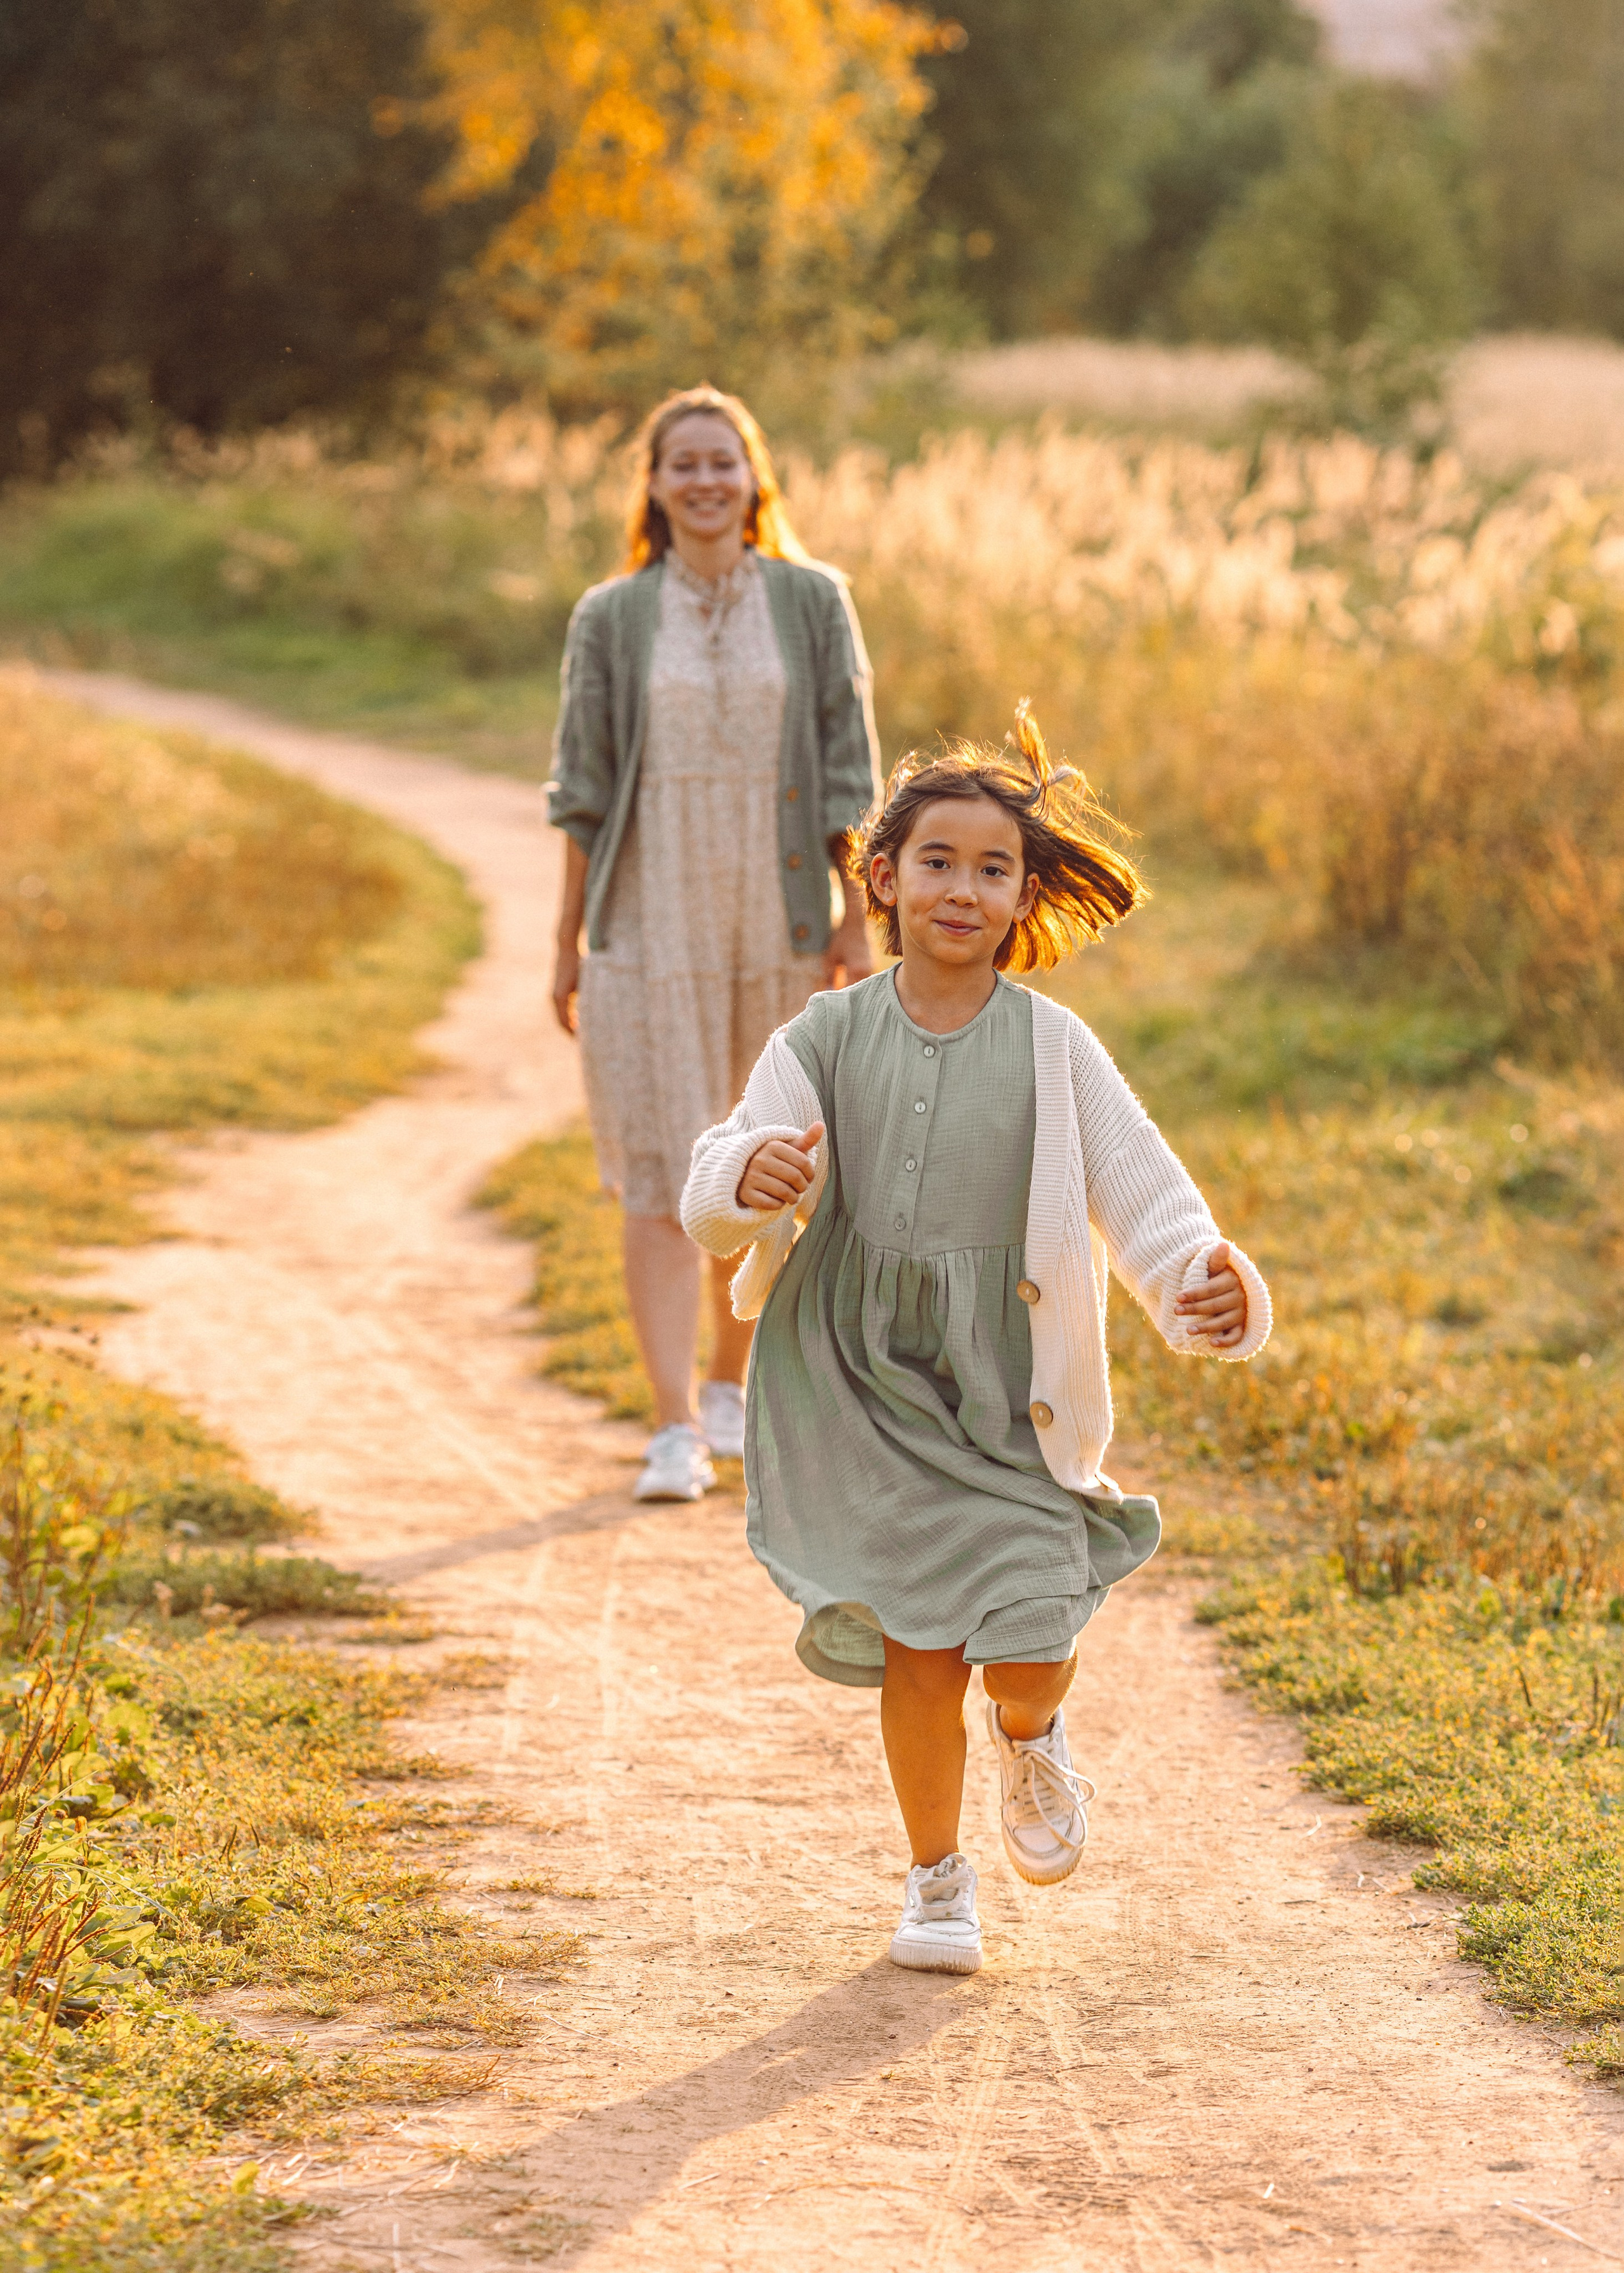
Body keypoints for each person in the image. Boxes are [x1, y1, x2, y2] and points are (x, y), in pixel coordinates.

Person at [680, 708, 1273, 1973]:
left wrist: (1202, 1280)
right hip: (852, 1376)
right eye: (935, 861)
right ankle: (935, 1882)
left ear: (1021, 895)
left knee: (1029, 1633)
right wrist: (754, 1171)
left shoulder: (1054, 1050)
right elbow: (708, 1182)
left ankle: (1032, 1735)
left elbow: (1144, 1194)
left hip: (1000, 1388)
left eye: (991, 866)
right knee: (918, 1643)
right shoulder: (821, 1036)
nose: (961, 886)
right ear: (882, 879)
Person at [549, 386, 879, 1504]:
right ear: (652, 483)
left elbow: (849, 773)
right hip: (647, 923)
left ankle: (735, 1390)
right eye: (680, 463)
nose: (701, 480)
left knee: (764, 1165)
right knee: (657, 1169)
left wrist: (855, 913)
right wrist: (566, 942)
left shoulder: (814, 602)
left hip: (776, 920)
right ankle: (671, 1424)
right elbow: (582, 794)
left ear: (754, 479)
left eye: (721, 462)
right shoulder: (610, 615)